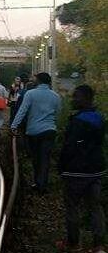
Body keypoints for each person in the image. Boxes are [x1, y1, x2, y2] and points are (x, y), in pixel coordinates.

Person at [57, 85, 106, 253]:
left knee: (72, 207)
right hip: (95, 170)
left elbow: (69, 146)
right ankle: (99, 245)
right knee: (95, 207)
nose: (73, 99)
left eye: (76, 97)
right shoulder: (100, 118)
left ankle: (74, 243)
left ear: (86, 98)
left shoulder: (77, 121)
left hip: (75, 170)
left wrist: (61, 166)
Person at [11, 72, 62, 192]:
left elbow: (22, 111)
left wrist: (14, 125)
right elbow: (58, 113)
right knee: (45, 158)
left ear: (38, 81)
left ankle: (37, 181)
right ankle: (42, 183)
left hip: (33, 131)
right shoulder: (56, 96)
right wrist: (56, 126)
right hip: (50, 130)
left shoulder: (31, 94)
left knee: (36, 158)